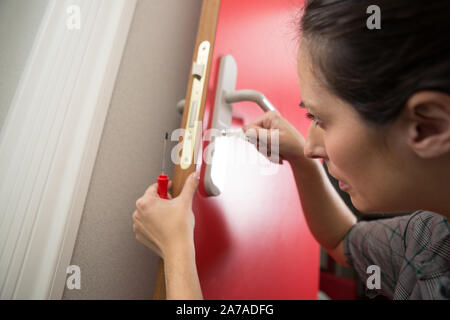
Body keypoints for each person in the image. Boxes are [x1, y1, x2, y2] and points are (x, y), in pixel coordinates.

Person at [132, 0, 450, 299]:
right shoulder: (433, 234)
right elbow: (344, 240)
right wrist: (300, 159)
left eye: (322, 119)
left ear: (428, 127)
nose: (311, 146)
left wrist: (176, 250)